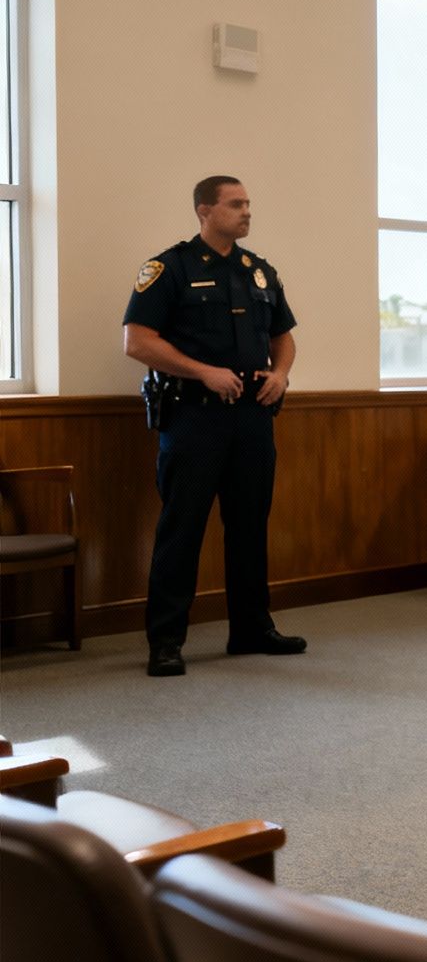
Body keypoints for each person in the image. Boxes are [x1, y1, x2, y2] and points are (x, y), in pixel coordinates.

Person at [122, 176, 305, 677]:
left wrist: (282, 375)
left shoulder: (259, 272)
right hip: (193, 416)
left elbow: (283, 336)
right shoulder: (169, 269)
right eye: (235, 204)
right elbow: (137, 341)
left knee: (249, 525)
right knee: (182, 529)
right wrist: (203, 371)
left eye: (248, 203)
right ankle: (165, 641)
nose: (247, 211)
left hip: (251, 415)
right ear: (205, 211)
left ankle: (250, 628)